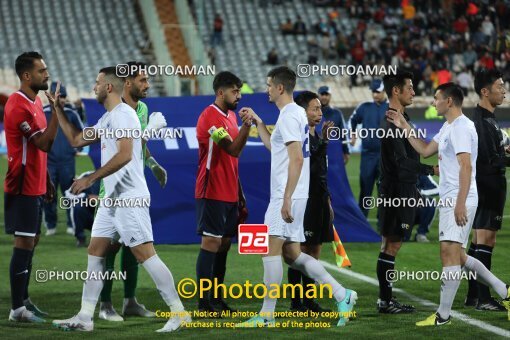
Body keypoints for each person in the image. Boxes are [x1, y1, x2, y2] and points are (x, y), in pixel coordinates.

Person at [51, 66, 190, 332]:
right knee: (96, 255)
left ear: (109, 87)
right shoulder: (108, 118)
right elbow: (77, 140)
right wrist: (58, 108)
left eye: (97, 82)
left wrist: (90, 179)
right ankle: (84, 316)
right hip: (111, 201)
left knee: (145, 255)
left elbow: (126, 154)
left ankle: (179, 312)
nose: (94, 87)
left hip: (129, 198)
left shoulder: (124, 115)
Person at [236, 66, 357, 328]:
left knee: (269, 251)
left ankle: (266, 316)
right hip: (294, 194)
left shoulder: (291, 116)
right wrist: (258, 121)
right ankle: (342, 294)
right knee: (292, 255)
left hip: (286, 194)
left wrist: (287, 198)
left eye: (269, 84)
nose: (266, 89)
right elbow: (274, 147)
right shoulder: (293, 115)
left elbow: (297, 159)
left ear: (280, 87)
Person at [386, 82, 510, 326]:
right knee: (460, 256)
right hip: (452, 196)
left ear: (449, 101)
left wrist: (460, 203)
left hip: (458, 197)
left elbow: (466, 166)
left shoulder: (462, 128)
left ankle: (443, 315)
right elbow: (424, 150)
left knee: (448, 254)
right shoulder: (448, 126)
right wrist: (404, 125)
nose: (433, 102)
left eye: (436, 98)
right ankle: (505, 291)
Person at [99, 61, 167, 321]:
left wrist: (152, 163)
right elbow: (121, 148)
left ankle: (130, 301)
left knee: (132, 245)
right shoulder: (115, 110)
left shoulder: (143, 108)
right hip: (114, 188)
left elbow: (139, 145)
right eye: (143, 80)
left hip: (135, 186)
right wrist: (148, 131)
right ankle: (105, 304)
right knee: (109, 247)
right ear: (127, 83)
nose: (147, 85)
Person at [376, 71, 438, 314]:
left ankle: (385, 300)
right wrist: (431, 169)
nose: (413, 91)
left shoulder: (402, 119)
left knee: (389, 245)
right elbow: (401, 162)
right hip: (397, 190)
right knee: (392, 246)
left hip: (402, 188)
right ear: (396, 91)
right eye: (409, 88)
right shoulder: (391, 122)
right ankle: (386, 301)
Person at [4, 51, 58, 323]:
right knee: (24, 242)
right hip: (22, 185)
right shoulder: (18, 105)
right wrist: (57, 112)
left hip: (36, 184)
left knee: (32, 242)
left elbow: (40, 153)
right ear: (27, 76)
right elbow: (43, 144)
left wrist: (46, 178)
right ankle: (16, 310)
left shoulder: (35, 102)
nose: (46, 74)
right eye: (41, 70)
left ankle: (24, 301)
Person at [195, 71, 250, 313]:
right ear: (220, 92)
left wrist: (240, 192)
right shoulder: (210, 117)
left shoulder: (229, 116)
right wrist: (248, 126)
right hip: (212, 189)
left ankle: (217, 298)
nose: (238, 95)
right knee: (210, 242)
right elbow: (233, 151)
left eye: (239, 90)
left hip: (229, 192)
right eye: (234, 91)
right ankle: (204, 302)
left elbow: (233, 163)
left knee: (224, 244)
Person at [465, 69, 509, 311]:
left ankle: (473, 295)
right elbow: (488, 161)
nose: (503, 90)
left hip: (488, 185)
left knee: (477, 241)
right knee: (486, 240)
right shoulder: (481, 121)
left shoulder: (488, 118)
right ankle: (483, 298)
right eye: (499, 86)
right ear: (485, 91)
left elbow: (495, 155)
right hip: (487, 185)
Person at [287, 91, 335, 313]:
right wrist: (323, 142)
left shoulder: (316, 137)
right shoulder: (298, 137)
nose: (319, 113)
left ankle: (308, 301)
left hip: (320, 200)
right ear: (301, 111)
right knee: (300, 252)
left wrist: (328, 201)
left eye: (320, 109)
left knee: (314, 252)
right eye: (314, 109)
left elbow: (321, 173)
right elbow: (309, 169)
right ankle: (297, 303)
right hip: (305, 201)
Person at [42, 82, 83, 236]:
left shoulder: (71, 114)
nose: (63, 99)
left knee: (69, 194)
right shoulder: (42, 113)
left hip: (67, 162)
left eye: (64, 96)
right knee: (49, 195)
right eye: (60, 95)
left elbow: (81, 132)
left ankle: (71, 224)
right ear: (51, 96)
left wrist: (77, 148)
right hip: (49, 163)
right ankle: (51, 225)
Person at [349, 79, 388, 217]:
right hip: (368, 156)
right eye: (373, 91)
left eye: (377, 91)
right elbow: (353, 120)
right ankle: (362, 221)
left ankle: (383, 222)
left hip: (386, 157)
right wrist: (353, 134)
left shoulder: (394, 108)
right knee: (365, 188)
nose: (375, 94)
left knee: (385, 190)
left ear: (384, 91)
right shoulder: (364, 107)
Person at [317, 85, 349, 163]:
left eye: (326, 95)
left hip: (333, 152)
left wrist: (346, 151)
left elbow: (342, 133)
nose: (324, 97)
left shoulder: (337, 113)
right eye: (322, 94)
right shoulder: (312, 112)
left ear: (330, 96)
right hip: (316, 152)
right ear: (318, 95)